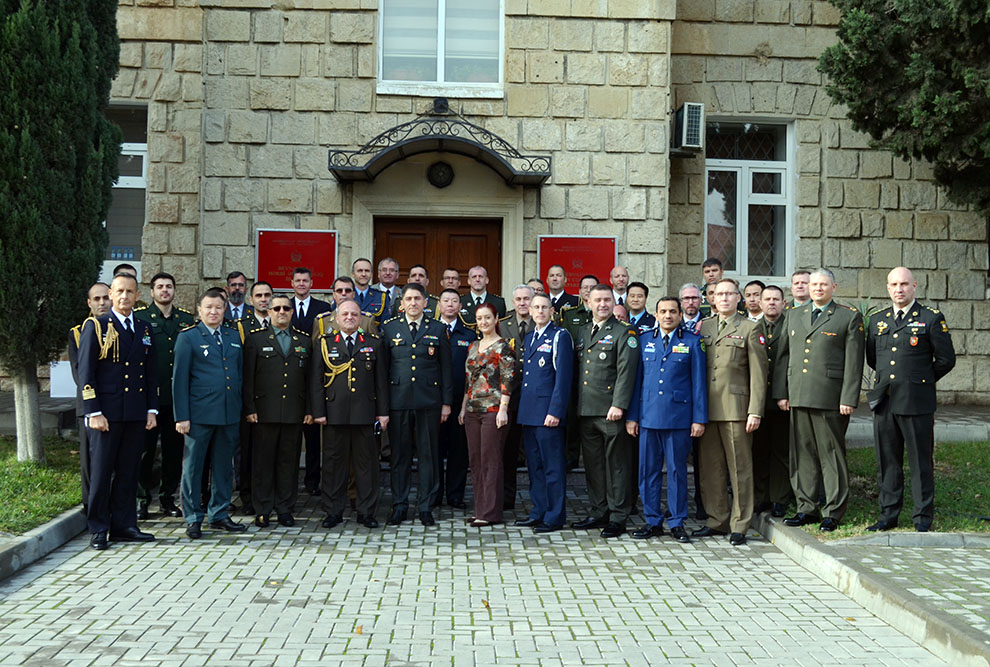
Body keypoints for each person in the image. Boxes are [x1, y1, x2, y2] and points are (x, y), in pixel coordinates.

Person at [773, 268, 864, 532]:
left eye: (823, 284)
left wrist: (848, 398)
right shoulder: (793, 315)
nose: (818, 288)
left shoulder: (848, 317)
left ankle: (833, 511)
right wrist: (782, 393)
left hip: (830, 398)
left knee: (831, 455)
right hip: (798, 395)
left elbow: (854, 363)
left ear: (834, 287)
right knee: (802, 454)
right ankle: (806, 507)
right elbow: (783, 358)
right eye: (814, 284)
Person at [865, 267, 955, 533]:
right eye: (894, 284)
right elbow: (873, 358)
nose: (899, 289)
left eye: (904, 284)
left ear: (914, 286)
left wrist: (920, 381)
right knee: (887, 460)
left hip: (916, 401)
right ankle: (888, 515)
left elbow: (946, 360)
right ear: (888, 288)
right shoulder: (877, 320)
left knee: (920, 461)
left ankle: (922, 516)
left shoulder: (930, 318)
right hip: (885, 401)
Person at [77, 273, 159, 550]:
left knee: (128, 471)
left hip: (135, 413)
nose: (124, 296)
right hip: (107, 414)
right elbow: (86, 372)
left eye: (130, 292)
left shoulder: (145, 328)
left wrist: (151, 409)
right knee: (101, 473)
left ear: (137, 296)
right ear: (111, 294)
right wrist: (93, 411)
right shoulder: (97, 326)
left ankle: (124, 525)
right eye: (119, 291)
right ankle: (99, 527)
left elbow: (150, 373)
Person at [626, 296, 707, 543]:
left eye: (673, 311)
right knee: (648, 471)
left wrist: (699, 419)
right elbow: (636, 382)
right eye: (663, 311)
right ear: (656, 314)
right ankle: (652, 520)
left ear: (680, 315)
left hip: (678, 419)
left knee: (676, 472)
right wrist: (632, 417)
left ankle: (676, 521)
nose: (668, 316)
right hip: (648, 417)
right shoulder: (644, 341)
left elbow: (699, 384)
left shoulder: (693, 342)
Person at [694, 278, 768, 546]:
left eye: (729, 294)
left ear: (739, 298)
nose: (723, 298)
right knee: (710, 470)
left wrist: (755, 411)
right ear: (712, 299)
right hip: (707, 410)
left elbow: (759, 374)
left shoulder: (750, 328)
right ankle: (717, 520)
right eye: (719, 294)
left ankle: (740, 524)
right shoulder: (705, 327)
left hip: (737, 409)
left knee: (740, 469)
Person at [173, 287, 248, 539]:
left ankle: (218, 513)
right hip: (199, 414)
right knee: (193, 467)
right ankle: (193, 517)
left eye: (218, 307)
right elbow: (179, 380)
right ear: (199, 310)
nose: (214, 311)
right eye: (209, 307)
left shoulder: (232, 335)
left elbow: (238, 374)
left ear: (224, 310)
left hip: (228, 413)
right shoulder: (188, 337)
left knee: (224, 466)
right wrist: (181, 416)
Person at [312, 299, 389, 529]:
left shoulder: (373, 343)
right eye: (345, 314)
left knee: (366, 467)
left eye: (354, 314)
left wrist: (382, 413)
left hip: (365, 414)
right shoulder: (325, 343)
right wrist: (318, 412)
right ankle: (333, 511)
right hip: (334, 414)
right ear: (336, 318)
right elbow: (316, 381)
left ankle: (366, 512)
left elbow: (381, 382)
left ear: (361, 319)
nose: (349, 318)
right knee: (334, 466)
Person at [380, 283, 453, 526]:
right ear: (401, 303)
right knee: (399, 456)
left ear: (425, 303)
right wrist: (383, 408)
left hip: (428, 402)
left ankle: (425, 506)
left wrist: (446, 403)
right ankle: (399, 505)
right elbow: (383, 371)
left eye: (417, 299)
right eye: (409, 299)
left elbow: (446, 369)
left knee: (428, 455)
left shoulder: (438, 328)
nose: (413, 303)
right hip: (398, 401)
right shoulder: (390, 329)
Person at [571, 284, 640, 538]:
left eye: (607, 300)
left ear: (613, 303)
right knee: (594, 465)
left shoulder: (624, 332)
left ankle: (618, 515)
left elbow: (626, 372)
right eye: (598, 300)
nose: (602, 304)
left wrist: (619, 405)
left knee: (617, 465)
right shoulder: (582, 331)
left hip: (610, 410)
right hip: (587, 410)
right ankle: (598, 510)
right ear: (588, 302)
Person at [242, 294, 313, 528]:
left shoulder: (303, 340)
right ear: (269, 312)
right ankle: (262, 508)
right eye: (277, 308)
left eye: (286, 308)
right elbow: (248, 378)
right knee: (262, 463)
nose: (281, 312)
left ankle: (285, 508)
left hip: (293, 412)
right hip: (263, 412)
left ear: (292, 312)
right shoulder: (255, 339)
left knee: (288, 463)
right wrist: (250, 407)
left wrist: (309, 409)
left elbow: (310, 379)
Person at [134, 272, 195, 519]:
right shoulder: (140, 319)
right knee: (145, 451)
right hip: (150, 398)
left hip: (176, 399)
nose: (165, 290)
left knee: (173, 450)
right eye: (160, 287)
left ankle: (167, 499)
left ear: (174, 290)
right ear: (152, 292)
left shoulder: (185, 319)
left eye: (169, 286)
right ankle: (141, 499)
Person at [516, 293, 573, 533]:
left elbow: (563, 378)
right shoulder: (529, 338)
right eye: (535, 307)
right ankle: (538, 511)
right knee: (535, 467)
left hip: (548, 414)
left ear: (552, 311)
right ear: (529, 311)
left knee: (552, 467)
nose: (539, 311)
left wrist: (556, 411)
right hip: (529, 412)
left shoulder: (560, 336)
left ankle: (554, 515)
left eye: (544, 307)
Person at [459, 303, 517, 527]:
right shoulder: (473, 346)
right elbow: (468, 381)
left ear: (496, 320)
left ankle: (491, 512)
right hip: (473, 409)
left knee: (490, 461)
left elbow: (508, 379)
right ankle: (480, 509)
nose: (483, 322)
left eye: (487, 318)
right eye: (480, 318)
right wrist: (463, 408)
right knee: (476, 460)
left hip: (493, 410)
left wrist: (504, 409)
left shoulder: (503, 347)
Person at [68, 282, 111, 513]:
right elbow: (80, 372)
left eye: (105, 298)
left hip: (116, 404)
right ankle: (90, 506)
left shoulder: (120, 328)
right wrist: (93, 405)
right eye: (97, 299)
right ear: (89, 303)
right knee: (90, 461)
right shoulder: (79, 331)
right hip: (90, 405)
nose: (102, 303)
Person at [290, 267, 332, 496]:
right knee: (292, 436)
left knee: (314, 437)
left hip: (315, 372)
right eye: (298, 281)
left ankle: (312, 481)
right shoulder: (283, 306)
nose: (302, 284)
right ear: (292, 283)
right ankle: (289, 481)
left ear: (311, 283)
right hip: (290, 374)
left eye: (305, 280)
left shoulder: (323, 308)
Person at [752, 285, 791, 517]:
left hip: (781, 400)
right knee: (759, 450)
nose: (771, 303)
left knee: (780, 452)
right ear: (760, 302)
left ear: (783, 303)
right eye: (767, 299)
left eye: (776, 299)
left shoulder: (791, 325)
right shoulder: (753, 327)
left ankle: (780, 498)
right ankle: (761, 497)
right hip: (758, 401)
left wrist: (783, 393)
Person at [436, 289, 476, 509]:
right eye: (445, 301)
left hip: (461, 401)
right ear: (439, 305)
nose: (450, 304)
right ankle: (434, 494)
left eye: (454, 301)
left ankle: (455, 495)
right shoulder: (430, 330)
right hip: (434, 402)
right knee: (434, 451)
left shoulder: (468, 335)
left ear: (460, 306)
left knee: (459, 451)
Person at [498, 284, 534, 510]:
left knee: (533, 451)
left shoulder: (545, 324)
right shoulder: (502, 325)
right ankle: (506, 499)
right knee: (508, 451)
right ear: (513, 303)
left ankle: (537, 501)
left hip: (533, 398)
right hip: (509, 398)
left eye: (526, 299)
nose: (523, 303)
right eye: (518, 299)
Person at [314, 276, 379, 339]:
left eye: (348, 291)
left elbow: (374, 345)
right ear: (334, 295)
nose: (344, 293)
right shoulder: (322, 321)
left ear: (353, 294)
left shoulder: (367, 321)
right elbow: (316, 347)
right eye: (339, 291)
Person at [351, 257, 387, 324]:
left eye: (367, 271)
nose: (364, 274)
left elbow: (385, 325)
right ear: (353, 274)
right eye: (360, 271)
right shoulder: (345, 295)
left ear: (371, 274)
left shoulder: (381, 297)